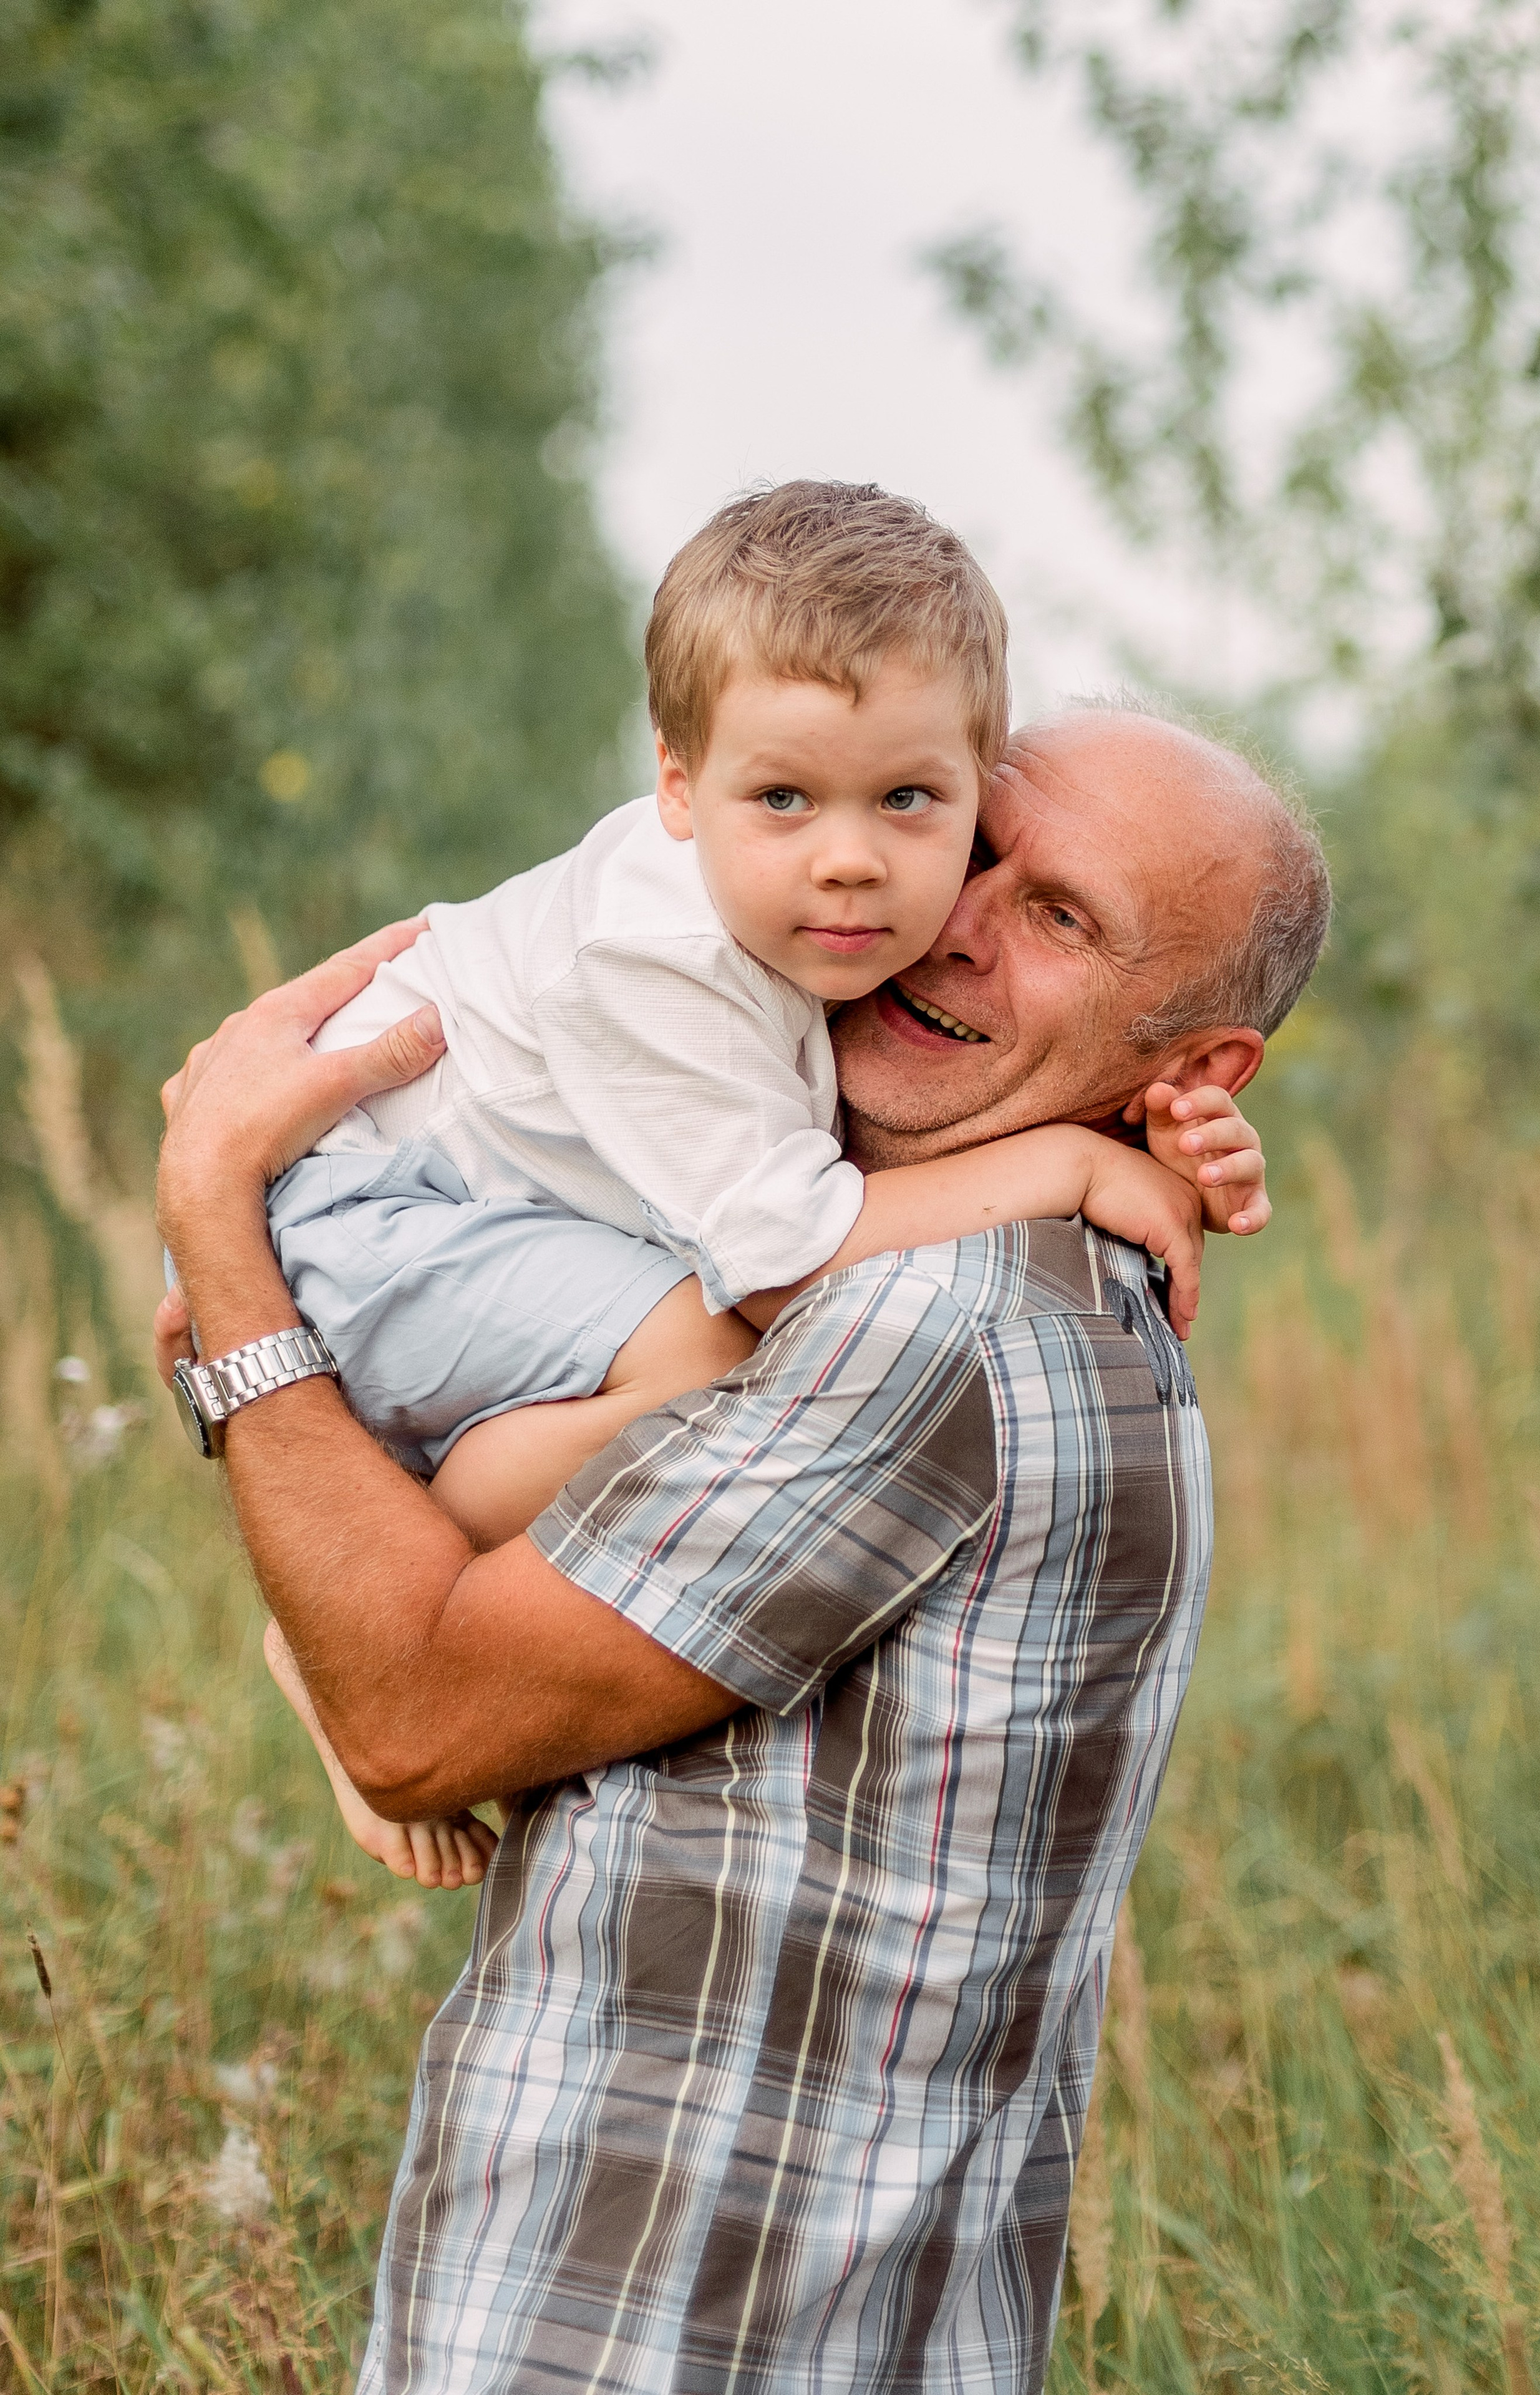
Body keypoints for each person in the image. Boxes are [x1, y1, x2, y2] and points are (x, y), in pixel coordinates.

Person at [155, 697, 1328, 2395]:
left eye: (1062, 919)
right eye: (976, 849)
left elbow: (414, 1722)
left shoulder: (933, 1326)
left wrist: (217, 1208)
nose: (956, 926)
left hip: (658, 2323)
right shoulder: (865, 1231)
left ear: (1197, 1064)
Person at [209, 483, 1267, 1886]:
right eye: (783, 798)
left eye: (912, 802)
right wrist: (1071, 1158)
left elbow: (900, 1134)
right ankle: (351, 1617)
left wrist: (1161, 1133)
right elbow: (788, 1247)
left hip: (432, 1217)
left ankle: (395, 1568)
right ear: (675, 783)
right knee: (713, 1340)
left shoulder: (789, 922)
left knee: (689, 1345)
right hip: (359, 1211)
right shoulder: (667, 963)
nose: (855, 864)